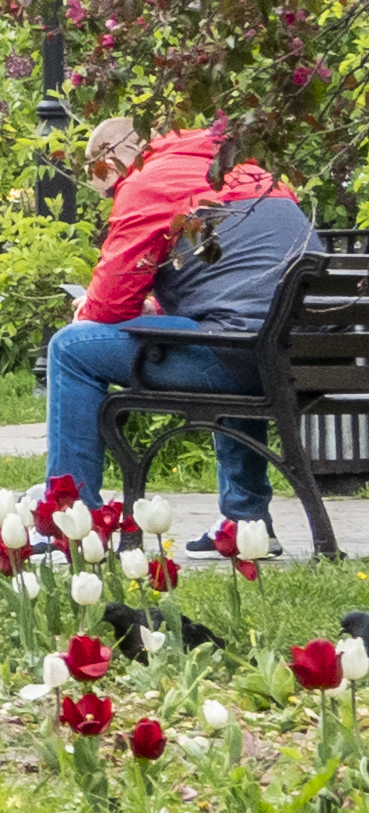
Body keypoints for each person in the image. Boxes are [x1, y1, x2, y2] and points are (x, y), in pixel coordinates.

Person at [48, 114, 312, 549]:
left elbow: (109, 306)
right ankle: (246, 523)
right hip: (298, 356)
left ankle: (72, 517)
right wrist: (153, 306)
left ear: (111, 165)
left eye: (111, 191)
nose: (117, 198)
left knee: (71, 348)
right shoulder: (247, 168)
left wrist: (88, 309)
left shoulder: (148, 182)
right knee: (231, 332)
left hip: (242, 356)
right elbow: (236, 282)